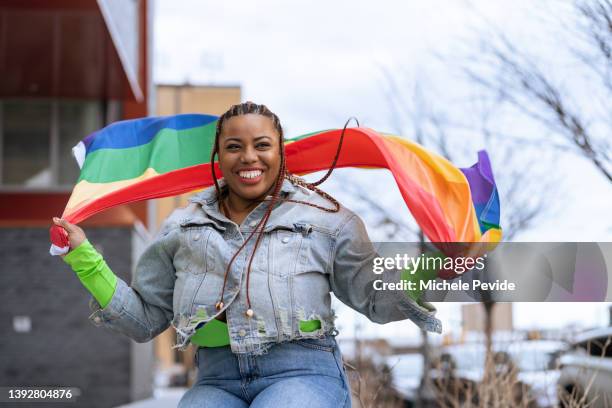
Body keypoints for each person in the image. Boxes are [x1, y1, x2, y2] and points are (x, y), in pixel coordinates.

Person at [54, 102, 441, 408]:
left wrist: (438, 268)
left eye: (262, 145)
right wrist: (84, 257)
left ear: (281, 151)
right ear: (218, 156)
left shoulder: (328, 221)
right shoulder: (181, 227)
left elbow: (374, 297)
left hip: (302, 374)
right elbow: (143, 321)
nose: (249, 157)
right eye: (234, 147)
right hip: (215, 379)